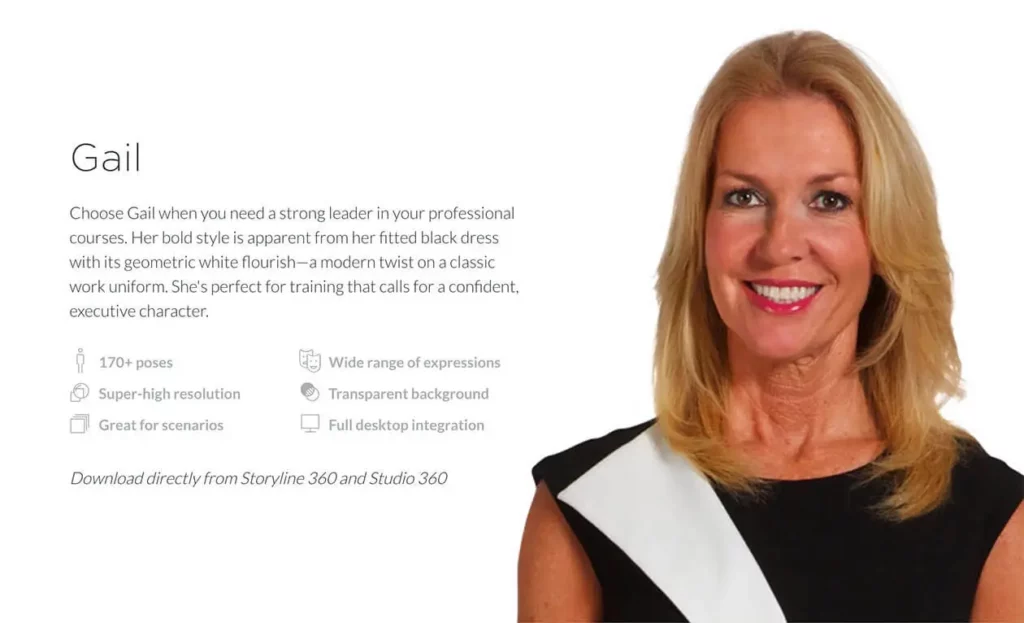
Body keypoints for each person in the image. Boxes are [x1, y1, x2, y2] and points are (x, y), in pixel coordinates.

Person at [518, 30, 1024, 622]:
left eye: (829, 200)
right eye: (744, 197)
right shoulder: (590, 506)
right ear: (700, 231)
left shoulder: (992, 521)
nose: (780, 244)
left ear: (887, 235)